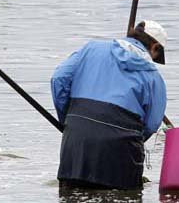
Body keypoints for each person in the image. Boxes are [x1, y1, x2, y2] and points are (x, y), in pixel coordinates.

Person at [50, 20, 168, 190]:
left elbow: (59, 79)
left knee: (71, 195)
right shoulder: (154, 78)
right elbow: (151, 125)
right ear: (155, 47)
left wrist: (68, 121)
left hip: (76, 145)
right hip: (121, 152)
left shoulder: (91, 49)